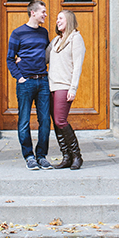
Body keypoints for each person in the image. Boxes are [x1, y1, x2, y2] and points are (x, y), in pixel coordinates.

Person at [6, 0, 53, 170]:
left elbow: (47, 54)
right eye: (43, 12)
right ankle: (29, 156)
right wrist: (19, 77)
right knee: (24, 121)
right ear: (33, 12)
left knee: (45, 122)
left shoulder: (43, 32)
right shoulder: (17, 33)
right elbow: (10, 59)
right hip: (26, 82)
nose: (45, 15)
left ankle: (41, 155)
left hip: (43, 81)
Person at [47, 10, 86, 169]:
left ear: (69, 20)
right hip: (51, 86)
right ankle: (66, 156)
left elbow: (77, 66)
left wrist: (73, 88)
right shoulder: (56, 40)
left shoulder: (76, 39)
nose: (57, 21)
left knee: (60, 120)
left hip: (64, 86)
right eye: (57, 18)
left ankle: (77, 156)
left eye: (60, 18)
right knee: (56, 123)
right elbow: (44, 57)